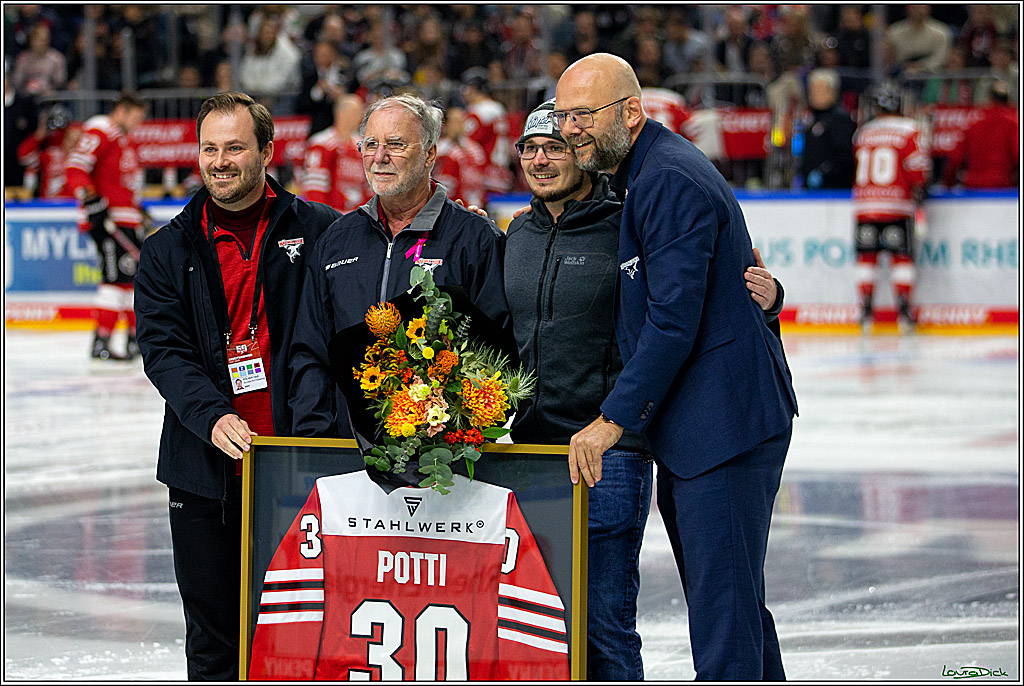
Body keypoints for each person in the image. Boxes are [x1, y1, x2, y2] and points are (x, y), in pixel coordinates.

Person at [504, 98, 785, 680]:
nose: (545, 156)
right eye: (531, 147)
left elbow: (676, 317)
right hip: (566, 447)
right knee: (730, 604)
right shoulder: (514, 235)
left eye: (561, 143)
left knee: (667, 617)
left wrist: (613, 421)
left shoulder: (645, 199)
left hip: (647, 441)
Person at [133, 91, 343, 680]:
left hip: (301, 469)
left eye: (234, 147)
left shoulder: (321, 231)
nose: (220, 160)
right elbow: (165, 354)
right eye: (209, 148)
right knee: (215, 643)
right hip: (205, 471)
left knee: (305, 640)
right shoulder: (165, 249)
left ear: (267, 151)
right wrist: (212, 415)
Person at [288, 94, 509, 439]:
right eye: (370, 144)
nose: (379, 157)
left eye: (395, 144)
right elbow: (310, 351)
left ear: (430, 154)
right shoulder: (335, 241)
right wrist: (315, 441)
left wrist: (456, 436)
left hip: (443, 461)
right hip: (345, 459)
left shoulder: (475, 239)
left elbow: (495, 354)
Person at [65, 92, 147, 362]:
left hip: (125, 219)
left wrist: (138, 211)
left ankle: (134, 341)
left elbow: (123, 182)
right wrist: (91, 200)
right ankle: (101, 342)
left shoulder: (124, 139)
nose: (137, 123)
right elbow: (76, 167)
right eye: (134, 117)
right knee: (115, 280)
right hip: (110, 220)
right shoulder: (102, 128)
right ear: (121, 110)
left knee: (131, 281)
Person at [852, 81, 931, 334]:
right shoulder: (910, 130)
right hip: (897, 204)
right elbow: (918, 171)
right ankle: (905, 313)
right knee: (902, 259)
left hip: (865, 205)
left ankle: (865, 312)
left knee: (866, 258)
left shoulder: (864, 132)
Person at [301, 93, 371, 213]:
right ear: (341, 114)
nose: (360, 117)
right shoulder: (322, 144)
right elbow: (315, 188)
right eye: (356, 112)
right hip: (332, 218)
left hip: (358, 218)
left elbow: (369, 186)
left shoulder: (361, 146)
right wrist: (325, 218)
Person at [943, 81, 1019, 189]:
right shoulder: (1013, 123)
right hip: (1002, 187)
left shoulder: (973, 122)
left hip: (973, 186)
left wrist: (947, 184)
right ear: (1008, 101)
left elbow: (955, 158)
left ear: (988, 99)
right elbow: (1017, 155)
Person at [799, 68, 857, 189]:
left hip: (834, 188)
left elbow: (845, 156)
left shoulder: (840, 119)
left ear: (832, 92)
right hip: (810, 189)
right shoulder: (810, 117)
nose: (813, 94)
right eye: (811, 89)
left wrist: (824, 172)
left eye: (819, 90)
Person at [16, 104, 79, 199]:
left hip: (74, 203)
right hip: (49, 205)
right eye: (70, 139)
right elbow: (24, 156)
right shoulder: (49, 154)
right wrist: (39, 135)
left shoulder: (84, 156)